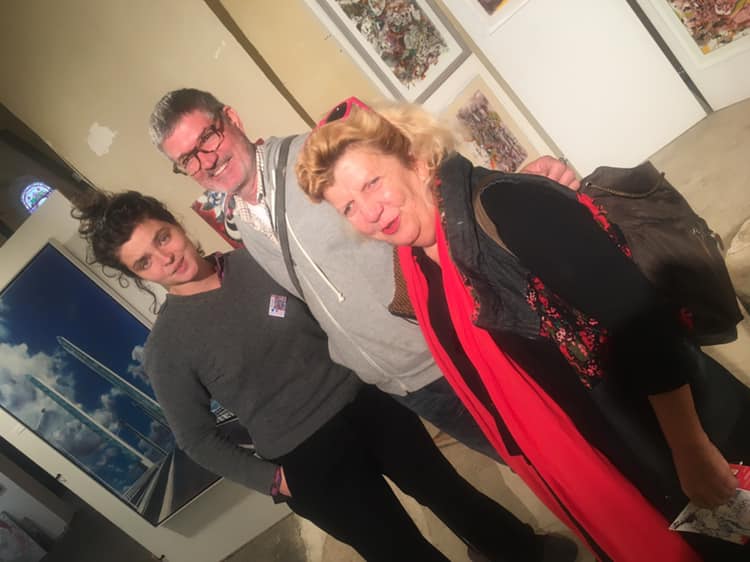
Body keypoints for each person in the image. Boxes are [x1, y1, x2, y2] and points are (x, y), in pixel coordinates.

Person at [295, 98, 750, 562]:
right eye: (349, 207)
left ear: (414, 158)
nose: (370, 213)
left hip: (664, 433)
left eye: (372, 183)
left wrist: (690, 449)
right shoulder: (418, 265)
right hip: (603, 456)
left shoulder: (507, 205)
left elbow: (644, 325)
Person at [72, 190, 578, 562]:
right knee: (399, 551)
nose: (166, 258)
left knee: (450, 492)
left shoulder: (256, 261)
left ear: (175, 223)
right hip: (308, 459)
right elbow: (195, 438)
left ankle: (521, 551)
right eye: (146, 261)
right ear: (139, 275)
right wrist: (272, 480)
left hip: (367, 404)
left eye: (162, 237)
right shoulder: (166, 348)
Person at [147, 88, 579, 462]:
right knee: (524, 466)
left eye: (207, 137)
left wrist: (508, 187)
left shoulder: (316, 157)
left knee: (565, 448)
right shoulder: (240, 222)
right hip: (405, 387)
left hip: (455, 348)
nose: (206, 160)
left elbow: (425, 176)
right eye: (188, 159)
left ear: (232, 119)